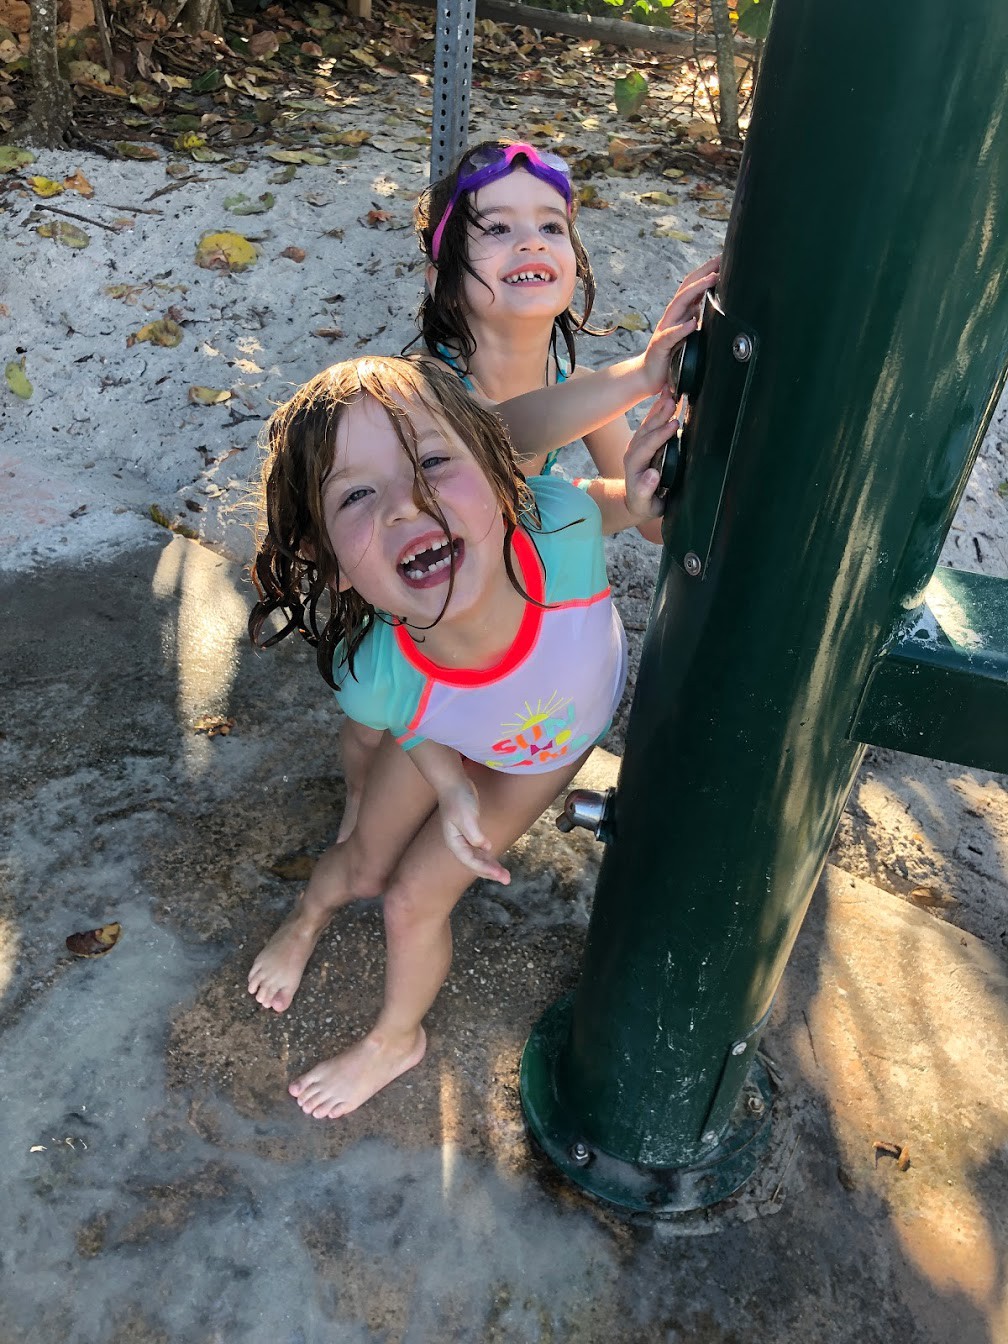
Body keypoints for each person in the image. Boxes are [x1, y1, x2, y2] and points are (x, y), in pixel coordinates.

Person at [245, 305, 708, 1120]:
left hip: (544, 750)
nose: (404, 502)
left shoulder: (557, 527)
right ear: (335, 567)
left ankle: (396, 1038)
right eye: (355, 495)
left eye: (430, 460)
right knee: (358, 864)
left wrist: (637, 492)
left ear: (502, 485)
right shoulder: (373, 668)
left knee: (410, 900)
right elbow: (414, 723)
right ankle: (309, 912)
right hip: (454, 734)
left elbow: (614, 496)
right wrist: (448, 785)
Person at [323, 138, 719, 844]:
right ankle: (356, 801)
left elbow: (646, 520)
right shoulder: (425, 386)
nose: (529, 240)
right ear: (444, 272)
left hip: (499, 590)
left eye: (550, 225)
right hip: (417, 592)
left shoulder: (584, 387)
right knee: (369, 726)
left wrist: (653, 471)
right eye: (497, 228)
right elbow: (494, 436)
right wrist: (639, 376)